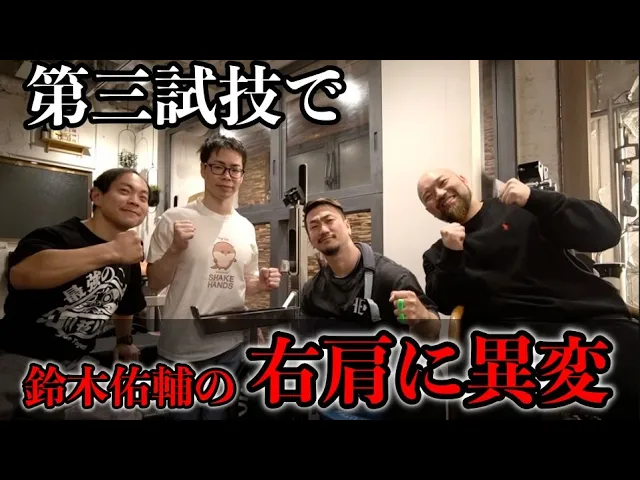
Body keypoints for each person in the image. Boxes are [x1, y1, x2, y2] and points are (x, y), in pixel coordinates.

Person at [417, 168, 640, 420]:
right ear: (429, 210)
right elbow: (444, 301)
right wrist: (451, 255)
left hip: (588, 324)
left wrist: (536, 198)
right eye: (428, 196)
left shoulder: (524, 207)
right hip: (516, 348)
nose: (439, 193)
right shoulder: (439, 254)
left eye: (443, 182)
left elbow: (606, 233)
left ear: (463, 179)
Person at [146, 135, 281, 421]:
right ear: (203, 169)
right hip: (181, 348)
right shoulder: (174, 218)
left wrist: (261, 283)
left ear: (242, 175)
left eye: (235, 169)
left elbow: (243, 284)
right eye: (218, 167)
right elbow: (155, 283)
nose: (227, 176)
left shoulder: (245, 227)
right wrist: (175, 249)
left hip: (229, 348)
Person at [0, 167, 149, 420]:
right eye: (125, 191)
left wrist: (124, 341)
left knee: (127, 412)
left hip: (75, 363)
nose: (135, 201)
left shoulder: (129, 256)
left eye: (143, 197)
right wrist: (112, 251)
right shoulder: (55, 236)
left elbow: (125, 306)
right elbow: (21, 275)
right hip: (18, 356)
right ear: (96, 196)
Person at [298, 198, 442, 420]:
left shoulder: (392, 277)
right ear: (311, 240)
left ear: (348, 225)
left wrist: (422, 316)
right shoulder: (312, 291)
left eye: (329, 220)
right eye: (314, 226)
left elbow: (432, 334)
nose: (323, 229)